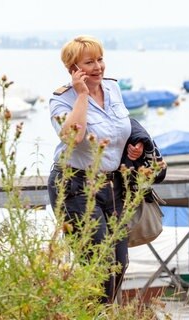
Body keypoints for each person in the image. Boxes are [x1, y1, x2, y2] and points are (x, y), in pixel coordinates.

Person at [46, 35, 143, 303]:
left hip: (113, 186)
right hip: (74, 187)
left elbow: (119, 128)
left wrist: (132, 148)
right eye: (89, 62)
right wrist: (83, 96)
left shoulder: (113, 89)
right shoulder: (61, 100)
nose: (98, 67)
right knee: (99, 265)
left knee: (119, 263)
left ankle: (100, 312)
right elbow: (72, 138)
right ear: (73, 69)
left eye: (100, 59)